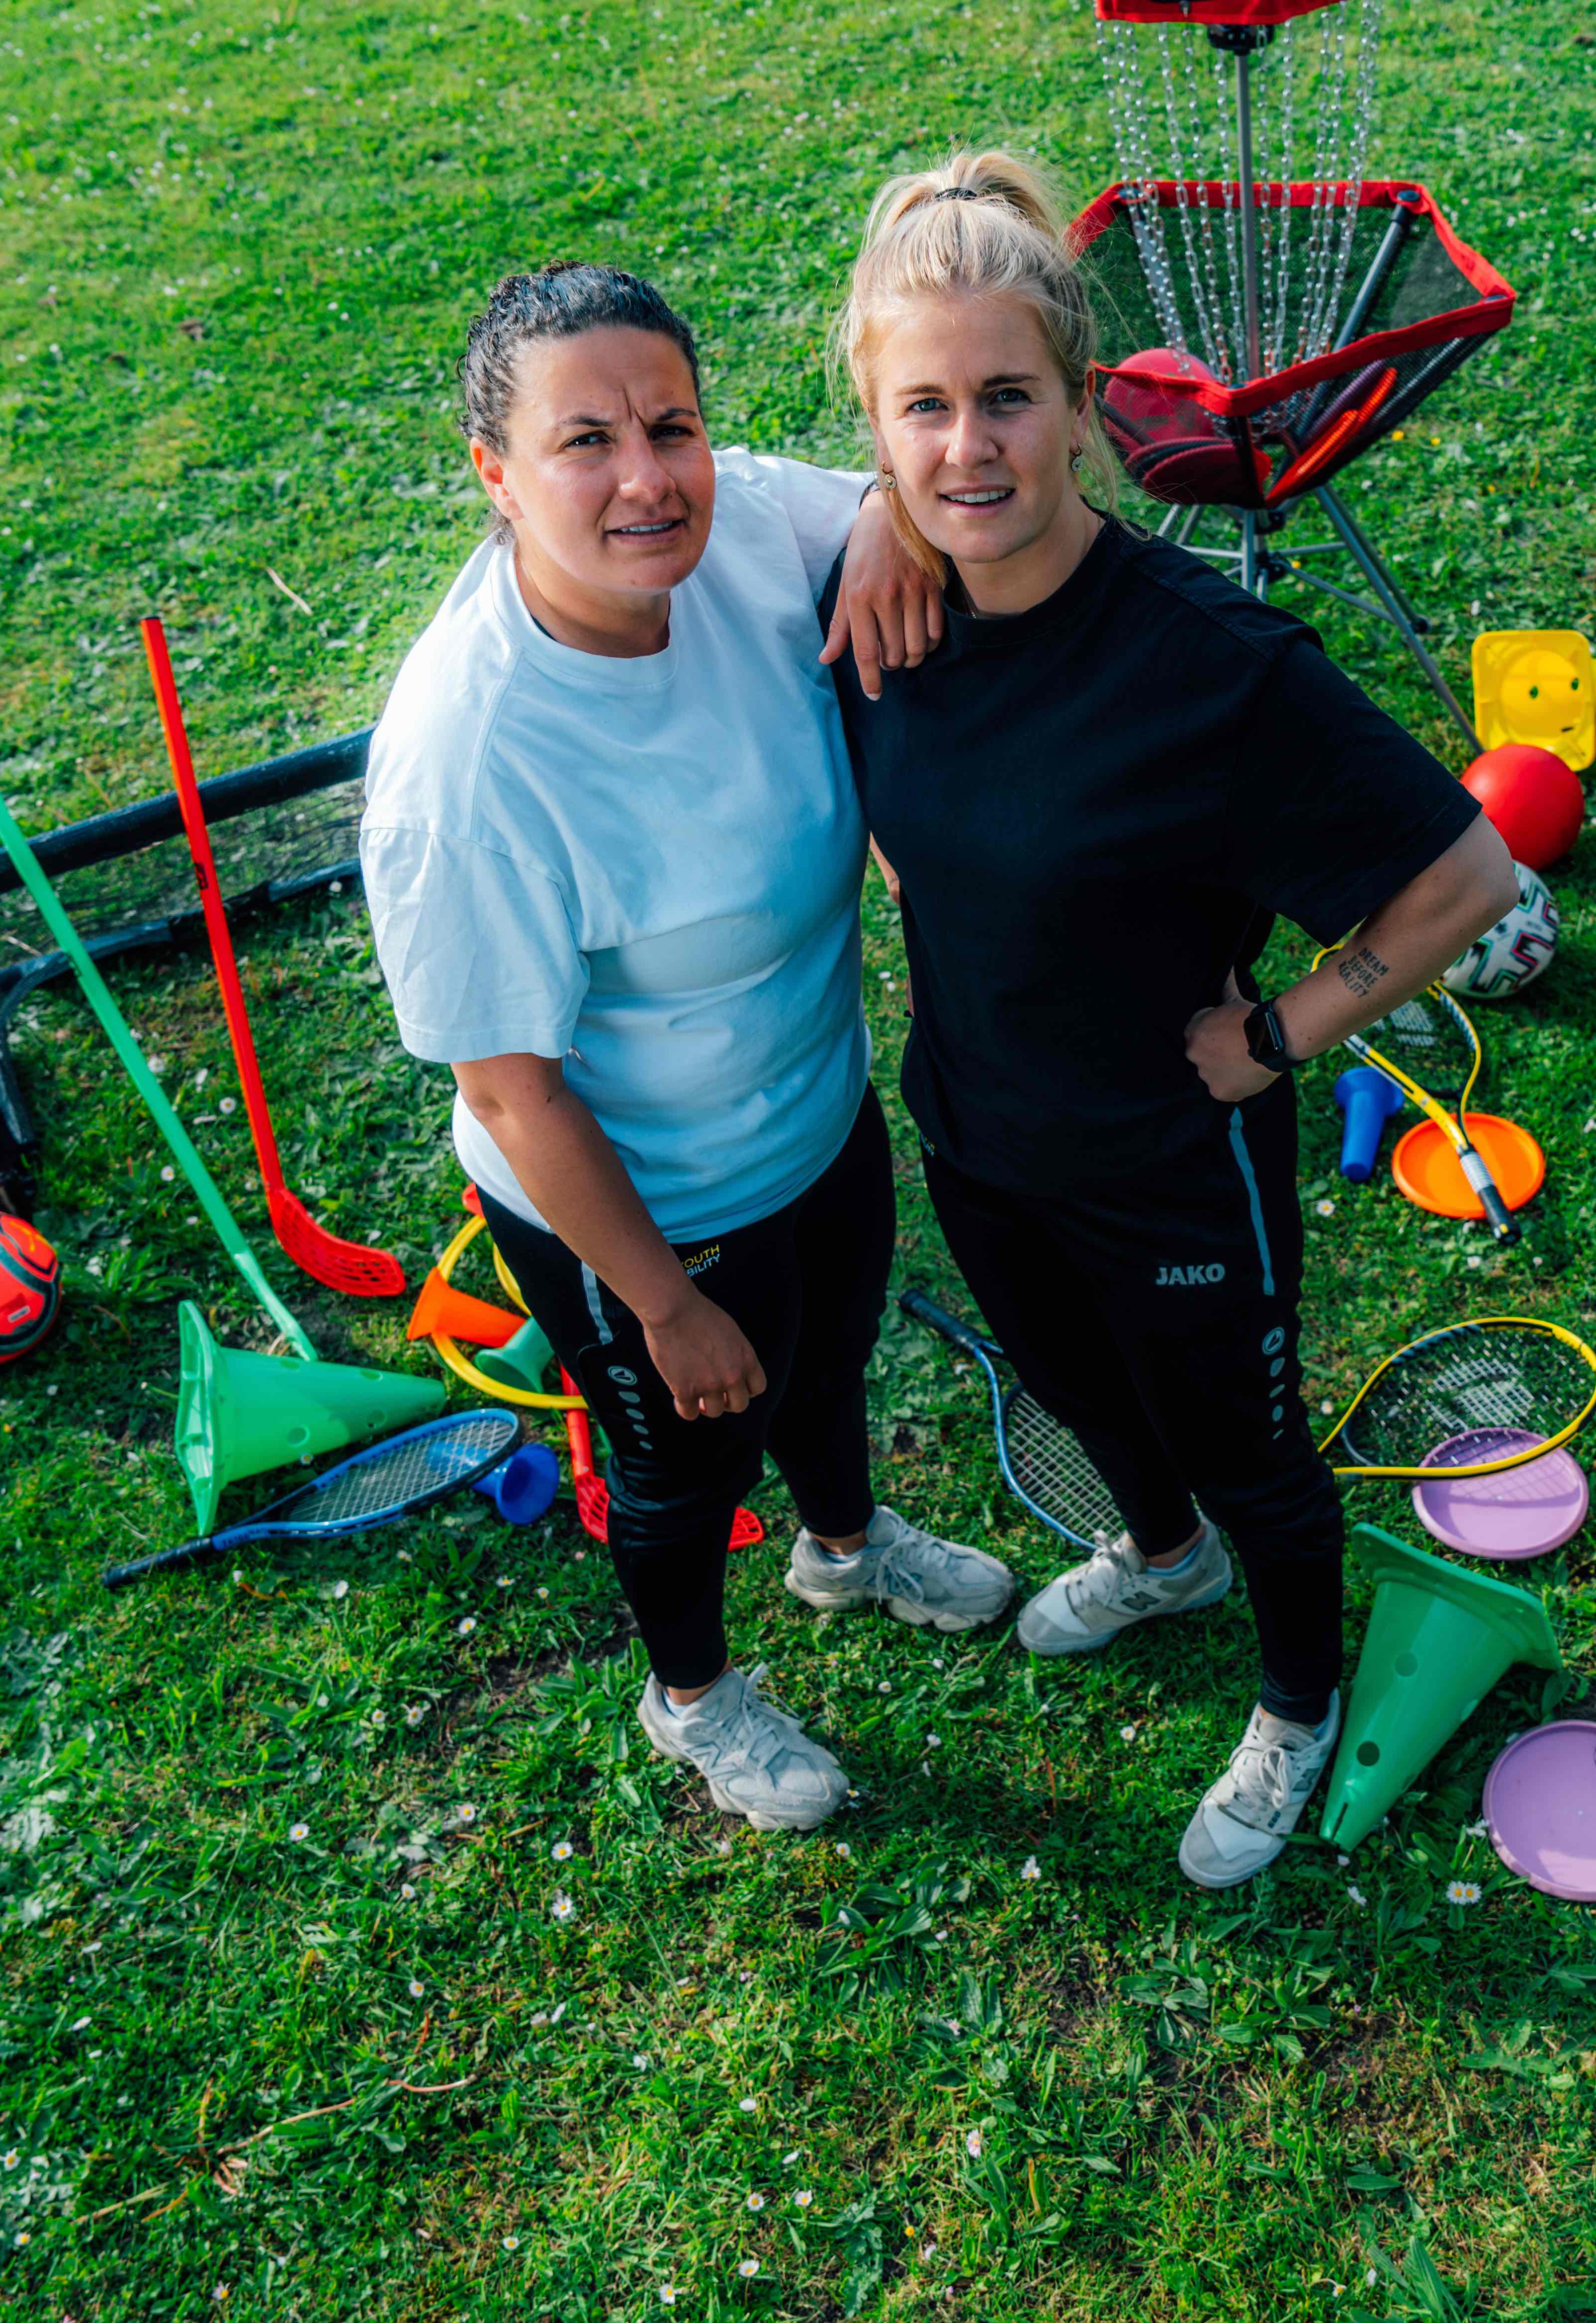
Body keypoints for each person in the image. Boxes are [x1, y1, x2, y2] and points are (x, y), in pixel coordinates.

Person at [825, 158, 1521, 1887]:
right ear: (873, 421)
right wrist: (863, 522)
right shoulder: (882, 612)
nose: (966, 450)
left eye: (1007, 401)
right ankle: (1160, 1554)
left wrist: (1289, 1029)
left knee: (1251, 1449)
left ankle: (1298, 1693)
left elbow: (1471, 872)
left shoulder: (1216, 667)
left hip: (1172, 1163)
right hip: (978, 1135)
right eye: (924, 410)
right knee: (1070, 1383)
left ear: (1083, 410)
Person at [359, 262, 1018, 1834]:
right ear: (496, 478)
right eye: (585, 442)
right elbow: (510, 1090)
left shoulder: (732, 542)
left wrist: (878, 522)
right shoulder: (468, 766)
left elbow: (888, 486)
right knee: (679, 1472)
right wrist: (662, 1301)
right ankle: (693, 1697)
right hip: (635, 1205)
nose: (647, 479)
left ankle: (847, 1549)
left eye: (674, 424)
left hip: (818, 1113)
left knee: (830, 1355)